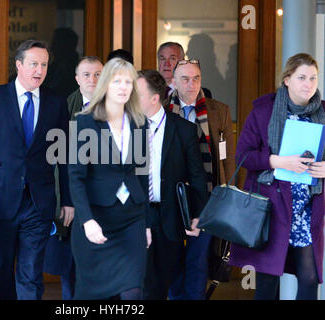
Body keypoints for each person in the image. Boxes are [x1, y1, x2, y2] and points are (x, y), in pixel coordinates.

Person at [0, 39, 73, 300]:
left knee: (31, 274)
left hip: (38, 203)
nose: (39, 70)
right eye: (34, 64)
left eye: (44, 65)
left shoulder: (56, 103)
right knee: (0, 273)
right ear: (19, 65)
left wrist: (67, 200)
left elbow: (65, 157)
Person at [229, 53, 325, 300]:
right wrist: (279, 162)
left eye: (313, 78)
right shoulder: (264, 110)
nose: (309, 84)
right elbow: (243, 157)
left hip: (306, 210)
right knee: (268, 282)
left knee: (309, 278)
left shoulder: (323, 112)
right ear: (287, 80)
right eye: (302, 77)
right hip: (272, 209)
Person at [69, 57, 150, 300]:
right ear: (106, 84)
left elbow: (142, 176)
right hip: (97, 219)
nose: (124, 87)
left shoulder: (139, 123)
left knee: (133, 291)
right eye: (118, 81)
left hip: (131, 221)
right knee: (92, 296)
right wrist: (87, 221)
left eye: (128, 82)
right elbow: (76, 177)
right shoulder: (85, 122)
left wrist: (146, 223)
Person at [136, 69, 208, 300]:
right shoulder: (128, 127)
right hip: (137, 216)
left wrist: (198, 215)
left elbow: (197, 176)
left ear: (154, 98)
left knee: (167, 282)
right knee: (141, 285)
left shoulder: (183, 129)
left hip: (170, 217)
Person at [167, 58, 235, 300]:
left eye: (196, 78)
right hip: (171, 198)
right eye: (185, 79)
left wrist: (229, 195)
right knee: (174, 261)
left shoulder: (219, 111)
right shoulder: (162, 109)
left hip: (207, 196)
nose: (191, 84)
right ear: (173, 82)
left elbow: (227, 159)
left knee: (198, 261)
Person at [43, 55, 103, 300]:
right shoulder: (63, 106)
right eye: (87, 74)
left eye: (98, 74)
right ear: (77, 79)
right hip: (74, 197)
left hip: (106, 198)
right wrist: (61, 200)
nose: (93, 79)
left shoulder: (120, 107)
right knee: (71, 266)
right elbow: (55, 159)